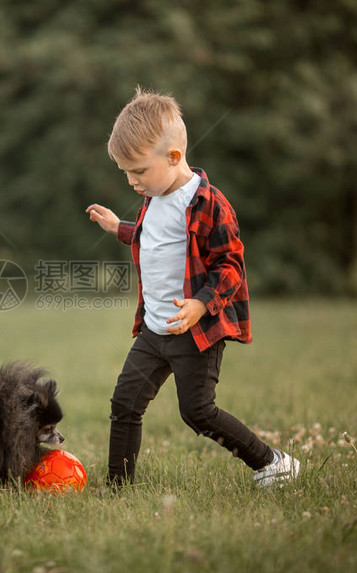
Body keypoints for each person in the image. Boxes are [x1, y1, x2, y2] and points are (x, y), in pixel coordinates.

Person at [85, 87, 299, 488]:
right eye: (125, 173)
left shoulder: (207, 203)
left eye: (138, 171)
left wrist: (201, 305)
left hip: (195, 332)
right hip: (154, 330)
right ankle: (117, 488)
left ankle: (273, 463)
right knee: (125, 403)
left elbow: (230, 266)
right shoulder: (155, 195)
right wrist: (119, 228)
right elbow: (157, 240)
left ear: (173, 157)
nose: (132, 181)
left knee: (197, 412)